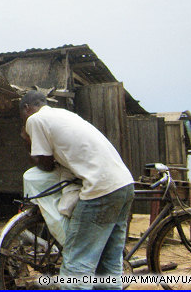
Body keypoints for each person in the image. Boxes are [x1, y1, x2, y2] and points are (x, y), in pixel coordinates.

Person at [19, 90, 134, 290]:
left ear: (26, 109)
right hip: (124, 184)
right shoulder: (65, 115)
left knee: (76, 266)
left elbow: (44, 164)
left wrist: (27, 140)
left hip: (100, 189)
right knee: (109, 264)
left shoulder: (35, 120)